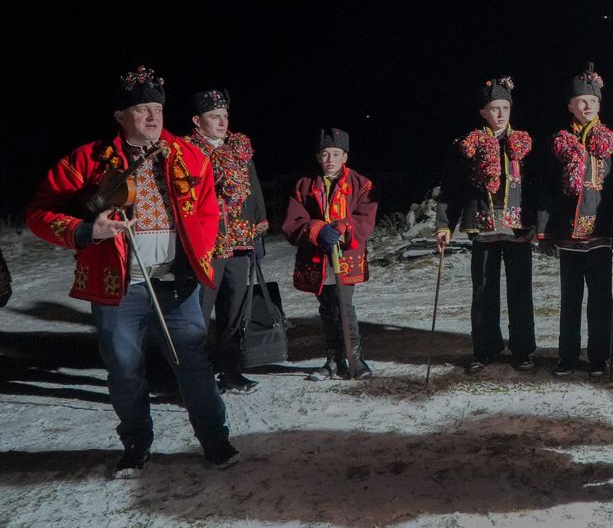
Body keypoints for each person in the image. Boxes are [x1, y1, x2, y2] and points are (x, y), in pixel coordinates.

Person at [26, 66, 238, 478]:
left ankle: (215, 439)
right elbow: (38, 213)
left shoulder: (189, 154)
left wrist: (202, 252)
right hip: (120, 288)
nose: (153, 118)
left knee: (193, 364)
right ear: (121, 117)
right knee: (125, 370)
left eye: (157, 109)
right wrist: (87, 230)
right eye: (142, 110)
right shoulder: (87, 160)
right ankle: (137, 443)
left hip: (177, 286)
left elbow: (210, 209)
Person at [436, 78, 538, 373]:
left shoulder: (523, 144)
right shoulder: (466, 146)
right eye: (495, 109)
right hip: (483, 227)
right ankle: (485, 347)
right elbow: (451, 189)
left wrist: (536, 223)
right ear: (483, 112)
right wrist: (444, 225)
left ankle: (522, 350)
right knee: (483, 291)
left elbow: (534, 187)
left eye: (505, 108)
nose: (501, 114)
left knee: (520, 291)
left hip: (516, 228)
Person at [539, 64, 613, 378]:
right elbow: (547, 190)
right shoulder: (559, 143)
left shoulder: (612, 142)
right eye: (580, 101)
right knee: (570, 299)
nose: (587, 105)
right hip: (568, 235)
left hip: (602, 234)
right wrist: (544, 230)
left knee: (600, 301)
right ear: (570, 106)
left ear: (599, 105)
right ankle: (567, 356)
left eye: (592, 101)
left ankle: (598, 357)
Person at [186, 88, 268, 394]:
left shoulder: (239, 149)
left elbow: (254, 189)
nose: (221, 123)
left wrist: (258, 234)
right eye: (213, 117)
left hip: (239, 241)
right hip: (207, 244)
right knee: (199, 313)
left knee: (233, 310)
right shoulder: (188, 152)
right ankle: (196, 376)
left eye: (224, 116)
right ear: (198, 120)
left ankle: (231, 372)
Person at [283, 128, 378, 381]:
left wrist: (342, 227)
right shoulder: (304, 185)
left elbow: (365, 219)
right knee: (327, 307)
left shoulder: (361, 184)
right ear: (318, 157)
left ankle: (356, 360)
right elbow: (294, 221)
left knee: (344, 306)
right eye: (325, 154)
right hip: (317, 257)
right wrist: (317, 229)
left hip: (345, 257)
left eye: (336, 154)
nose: (330, 159)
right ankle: (333, 361)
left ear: (345, 157)